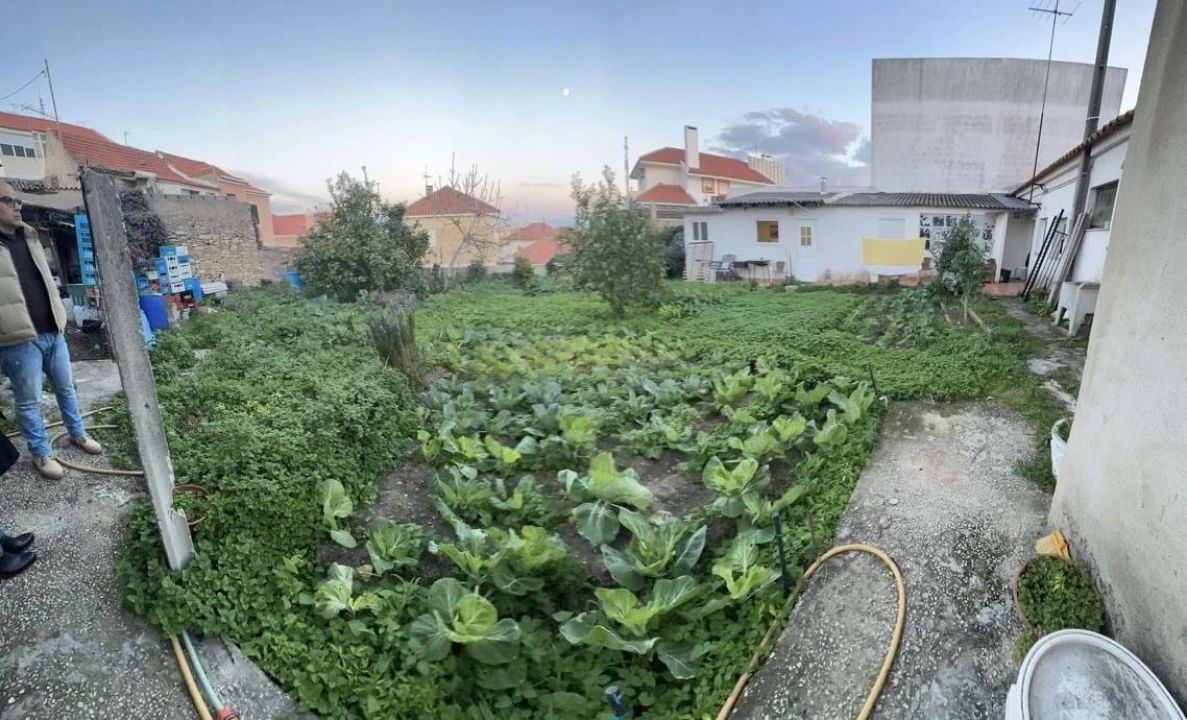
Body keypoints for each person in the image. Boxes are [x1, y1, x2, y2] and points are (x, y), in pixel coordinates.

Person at [0, 180, 102, 480]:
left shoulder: (30, 237)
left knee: (66, 389)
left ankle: (77, 434)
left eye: (18, 201)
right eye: (8, 200)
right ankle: (41, 454)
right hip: (19, 339)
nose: (17, 206)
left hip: (53, 332)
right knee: (28, 400)